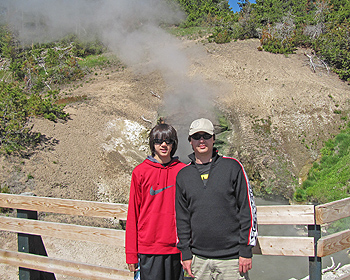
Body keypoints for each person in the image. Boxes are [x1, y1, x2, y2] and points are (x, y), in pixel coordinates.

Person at [175, 118, 258, 280]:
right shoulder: (183, 175)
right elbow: (182, 218)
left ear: (213, 138)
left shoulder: (233, 167)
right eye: (196, 136)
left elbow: (247, 209)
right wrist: (185, 252)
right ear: (190, 141)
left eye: (206, 136)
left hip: (232, 259)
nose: (201, 140)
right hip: (198, 259)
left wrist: (246, 250)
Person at [125, 123, 186, 280]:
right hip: (149, 248)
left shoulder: (184, 171)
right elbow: (133, 213)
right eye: (159, 141)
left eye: (168, 140)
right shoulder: (140, 172)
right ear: (153, 143)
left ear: (174, 143)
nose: (164, 145)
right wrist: (131, 253)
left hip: (176, 249)